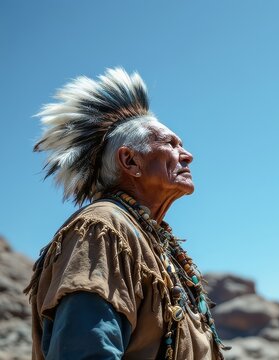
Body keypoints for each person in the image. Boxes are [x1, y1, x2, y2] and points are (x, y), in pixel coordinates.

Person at [24, 68, 229, 359]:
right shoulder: (101, 231)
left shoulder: (149, 240)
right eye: (170, 144)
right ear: (130, 161)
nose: (187, 154)